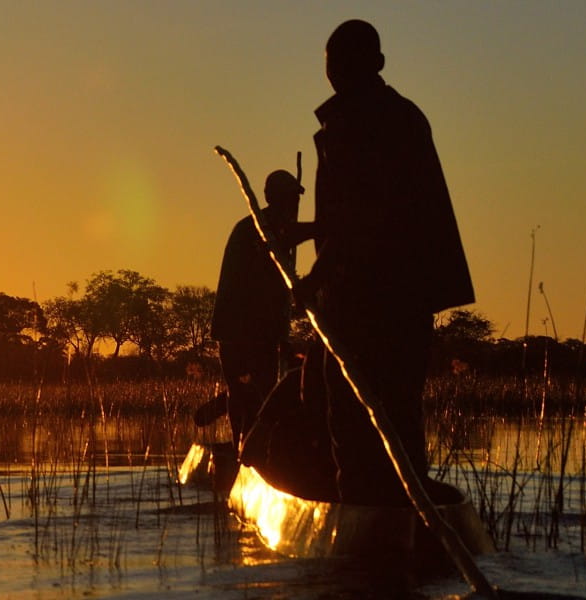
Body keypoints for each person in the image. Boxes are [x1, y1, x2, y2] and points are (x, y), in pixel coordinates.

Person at [301, 19, 475, 504]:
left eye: (343, 62)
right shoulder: (400, 116)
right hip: (404, 297)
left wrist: (317, 277)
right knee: (398, 413)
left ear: (375, 63)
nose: (335, 72)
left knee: (357, 415)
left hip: (366, 296)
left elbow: (362, 216)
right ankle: (406, 512)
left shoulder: (361, 123)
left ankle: (368, 524)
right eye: (331, 63)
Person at [202, 169, 303, 444]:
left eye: (295, 198)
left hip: (253, 331)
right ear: (274, 198)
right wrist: (324, 228)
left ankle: (251, 449)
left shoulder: (267, 228)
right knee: (253, 391)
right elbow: (287, 236)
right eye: (289, 198)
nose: (293, 205)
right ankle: (245, 450)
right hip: (241, 331)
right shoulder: (261, 229)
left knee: (255, 391)